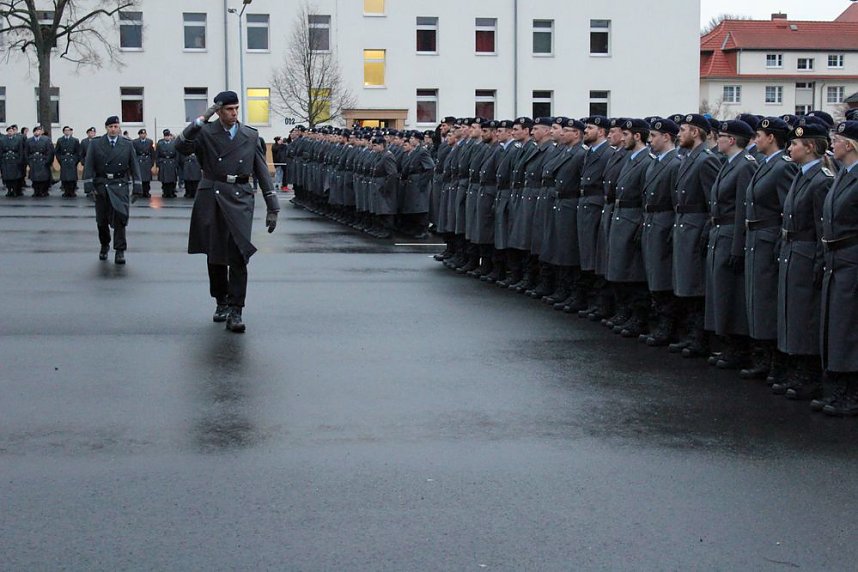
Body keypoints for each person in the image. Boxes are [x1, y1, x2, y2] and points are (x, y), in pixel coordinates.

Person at [175, 90, 280, 333]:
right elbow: (180, 146)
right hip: (212, 194)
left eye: (236, 109)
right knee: (215, 254)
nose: (234, 114)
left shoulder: (249, 135)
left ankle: (236, 309)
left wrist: (273, 206)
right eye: (228, 110)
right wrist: (201, 119)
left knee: (239, 254)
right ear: (219, 111)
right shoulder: (205, 132)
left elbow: (262, 171)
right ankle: (220, 301)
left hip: (240, 196)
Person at [774, 120, 834, 401]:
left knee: (804, 316)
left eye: (795, 144)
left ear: (809, 147)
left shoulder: (821, 180)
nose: (790, 148)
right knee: (791, 313)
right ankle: (795, 367)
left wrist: (820, 262)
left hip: (807, 251)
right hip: (792, 250)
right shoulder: (800, 174)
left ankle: (807, 374)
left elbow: (823, 228)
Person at [740, 117, 799, 385]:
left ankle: (775, 362)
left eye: (760, 135)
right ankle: (762, 358)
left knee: (767, 302)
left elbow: (789, 210)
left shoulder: (782, 167)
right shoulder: (765, 164)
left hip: (769, 239)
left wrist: (778, 242)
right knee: (757, 300)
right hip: (757, 239)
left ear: (771, 138)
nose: (756, 139)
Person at [704, 119, 758, 369]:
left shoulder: (744, 166)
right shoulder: (729, 164)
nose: (718, 139)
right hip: (720, 232)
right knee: (720, 292)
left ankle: (737, 347)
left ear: (733, 140)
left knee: (731, 295)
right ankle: (726, 344)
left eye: (722, 136)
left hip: (730, 234)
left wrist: (738, 247)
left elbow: (741, 210)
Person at [816, 120, 858, 415]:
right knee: (837, 325)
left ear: (851, 145)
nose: (833, 143)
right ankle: (839, 387)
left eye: (838, 139)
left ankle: (851, 394)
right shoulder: (843, 175)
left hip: (852, 259)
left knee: (849, 328)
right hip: (836, 260)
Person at [83, 116, 143, 264]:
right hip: (102, 185)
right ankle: (104, 245)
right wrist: (88, 186)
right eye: (110, 127)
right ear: (106, 128)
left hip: (120, 185)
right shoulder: (96, 144)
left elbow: (134, 166)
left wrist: (137, 186)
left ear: (119, 127)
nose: (113, 129)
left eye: (116, 126)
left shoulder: (127, 144)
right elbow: (89, 165)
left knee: (120, 219)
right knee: (101, 221)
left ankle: (120, 250)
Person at [26, 126, 54, 197]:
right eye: (35, 131)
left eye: (38, 131)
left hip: (43, 161)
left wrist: (47, 161)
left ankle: (43, 191)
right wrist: (29, 161)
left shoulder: (46, 140)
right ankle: (36, 191)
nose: (37, 132)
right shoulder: (29, 140)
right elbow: (26, 152)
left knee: (43, 178)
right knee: (34, 178)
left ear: (41, 132)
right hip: (33, 161)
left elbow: (50, 152)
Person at [1, 125, 27, 197]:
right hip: (6, 161)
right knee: (7, 178)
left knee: (15, 177)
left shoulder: (18, 140)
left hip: (15, 160)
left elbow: (21, 151)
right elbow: (1, 151)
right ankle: (9, 190)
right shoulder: (3, 140)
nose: (10, 132)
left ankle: (15, 190)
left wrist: (20, 160)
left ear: (13, 132)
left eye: (11, 131)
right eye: (8, 131)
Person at [55, 126, 81, 197]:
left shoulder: (75, 140)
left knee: (72, 177)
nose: (67, 132)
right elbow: (57, 151)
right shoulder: (60, 140)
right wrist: (60, 159)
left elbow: (78, 152)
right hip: (64, 160)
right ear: (63, 132)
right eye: (65, 130)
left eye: (68, 130)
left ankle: (72, 191)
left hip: (72, 160)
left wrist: (75, 160)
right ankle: (66, 191)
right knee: (65, 177)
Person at [156, 129, 179, 198]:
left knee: (172, 180)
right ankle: (165, 192)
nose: (167, 137)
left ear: (170, 136)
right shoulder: (160, 144)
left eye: (168, 136)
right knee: (164, 180)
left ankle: (172, 192)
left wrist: (176, 163)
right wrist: (158, 163)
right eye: (165, 136)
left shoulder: (174, 143)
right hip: (164, 162)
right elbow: (157, 154)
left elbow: (177, 155)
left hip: (171, 162)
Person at [132, 129, 155, 198]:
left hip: (147, 160)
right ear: (139, 135)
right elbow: (133, 153)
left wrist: (152, 162)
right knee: (139, 178)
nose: (143, 135)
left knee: (147, 179)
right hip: (139, 160)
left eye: (144, 134)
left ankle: (146, 192)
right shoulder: (135, 142)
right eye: (142, 134)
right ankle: (139, 192)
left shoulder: (149, 142)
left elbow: (152, 152)